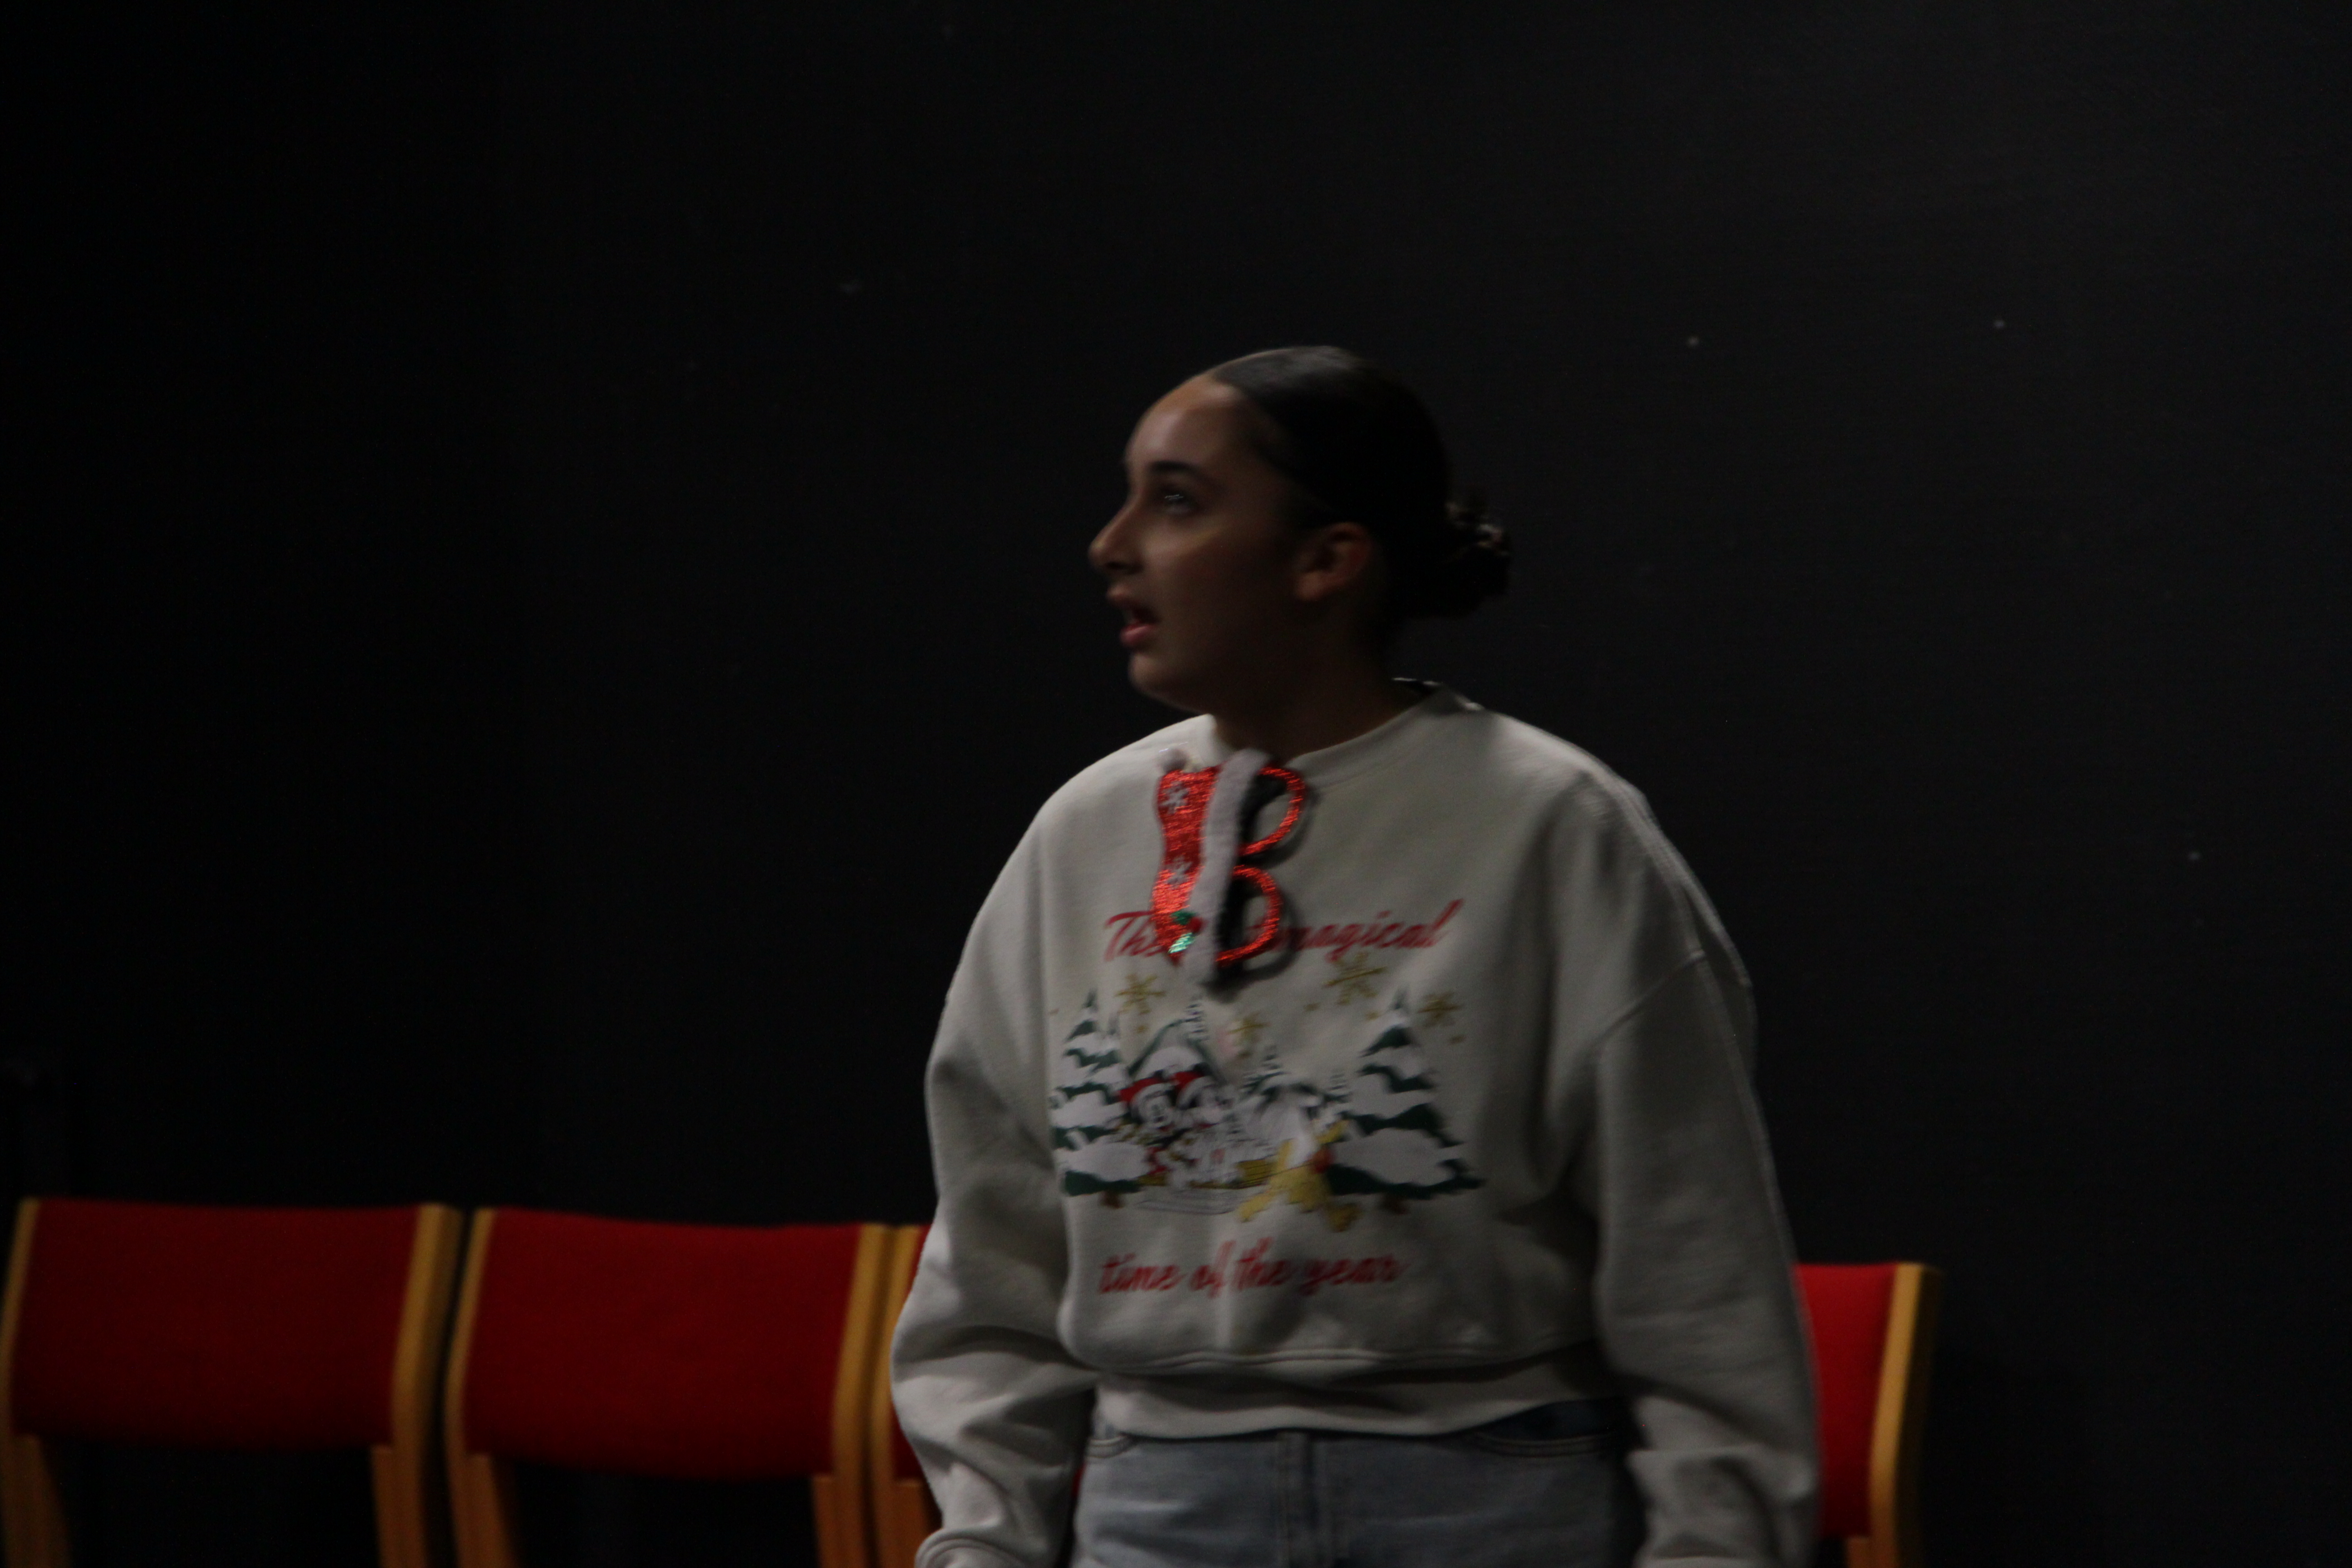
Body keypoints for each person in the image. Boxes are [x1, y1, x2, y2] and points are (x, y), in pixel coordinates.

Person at [891, 346, 1817, 1568]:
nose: (1112, 545)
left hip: (1489, 1495)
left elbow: (1697, 1255)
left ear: (1327, 559)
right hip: (1160, 1501)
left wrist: (1718, 1544)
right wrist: (984, 1540)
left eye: (1178, 501)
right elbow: (995, 1247)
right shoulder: (1087, 836)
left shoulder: (1549, 827)